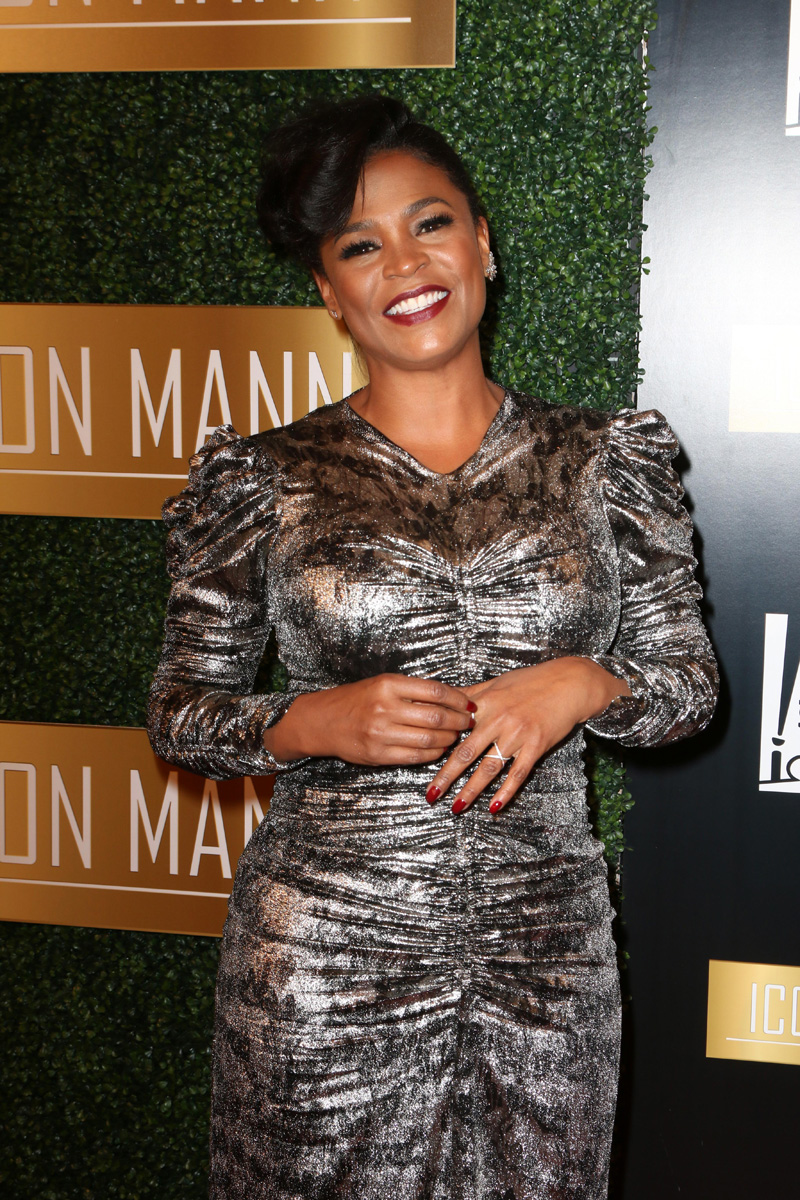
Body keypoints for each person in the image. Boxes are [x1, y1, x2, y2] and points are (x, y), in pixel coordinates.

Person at [147, 95, 718, 1200]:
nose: (405, 264)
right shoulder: (264, 478)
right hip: (324, 956)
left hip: (545, 960)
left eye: (430, 223)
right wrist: (311, 718)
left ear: (482, 242)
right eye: (359, 245)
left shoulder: (605, 461)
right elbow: (181, 711)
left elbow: (686, 689)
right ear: (329, 292)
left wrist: (584, 683)